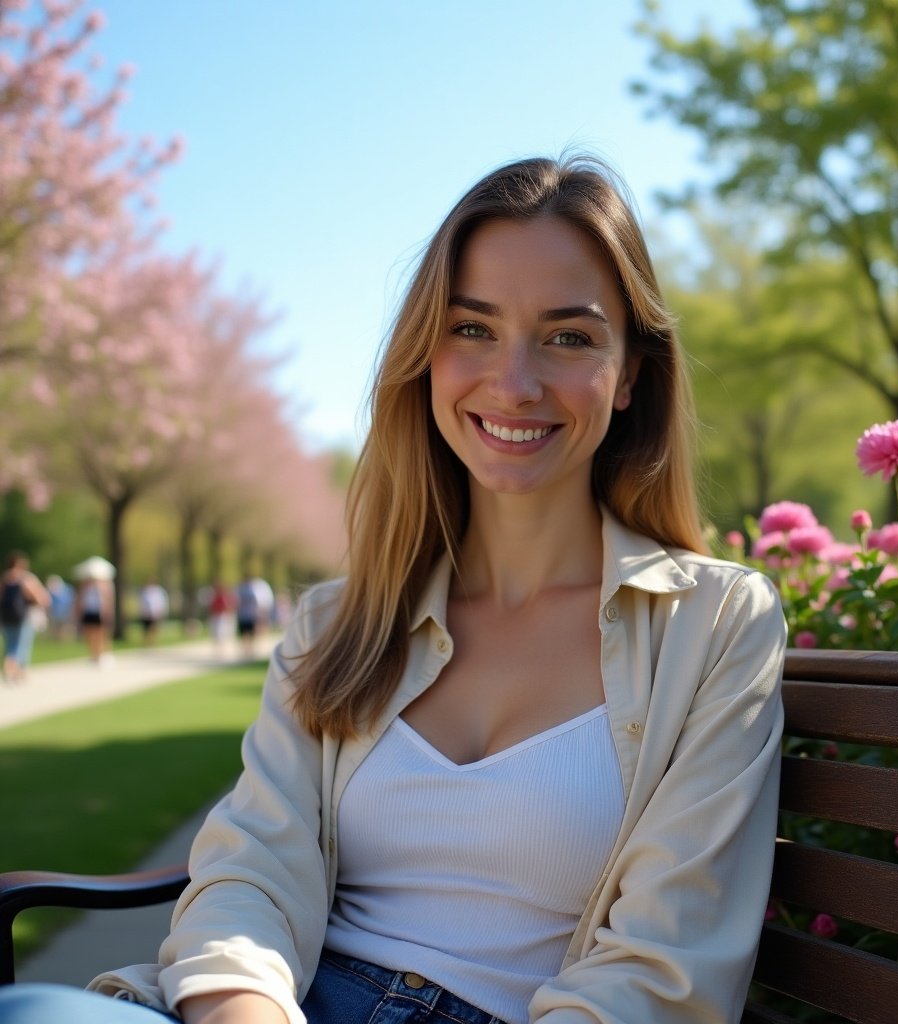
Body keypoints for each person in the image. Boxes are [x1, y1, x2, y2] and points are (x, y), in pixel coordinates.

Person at [0, 156, 786, 1024]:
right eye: (473, 330)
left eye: (568, 336)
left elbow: (662, 970)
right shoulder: (336, 623)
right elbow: (253, 865)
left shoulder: (714, 626)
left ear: (630, 372)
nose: (514, 381)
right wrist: (239, 1009)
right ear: (426, 354)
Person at [1, 551, 51, 682]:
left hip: (6, 618)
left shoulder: (4, 579)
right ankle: (13, 668)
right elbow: (40, 598)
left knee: (10, 644)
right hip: (23, 616)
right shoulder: (25, 578)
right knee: (21, 645)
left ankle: (17, 671)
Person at [75, 567, 115, 665]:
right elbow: (80, 600)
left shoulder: (104, 586)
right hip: (89, 612)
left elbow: (108, 600)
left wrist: (107, 611)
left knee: (101, 633)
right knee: (89, 633)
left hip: (99, 612)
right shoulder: (84, 587)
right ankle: (93, 654)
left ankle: (101, 654)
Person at [138, 578, 171, 646]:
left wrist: (160, 611)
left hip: (155, 612)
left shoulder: (158, 591)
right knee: (146, 629)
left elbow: (161, 602)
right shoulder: (145, 591)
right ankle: (147, 642)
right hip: (146, 613)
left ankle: (152, 642)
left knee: (153, 628)